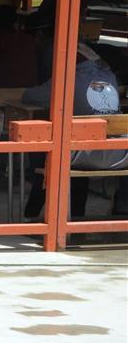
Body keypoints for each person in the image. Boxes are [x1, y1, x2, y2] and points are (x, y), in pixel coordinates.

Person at [22, 44, 127, 219]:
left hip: (79, 155)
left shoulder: (67, 79)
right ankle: (117, 208)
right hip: (119, 156)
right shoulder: (110, 77)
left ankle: (31, 214)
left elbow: (30, 96)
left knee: (46, 155)